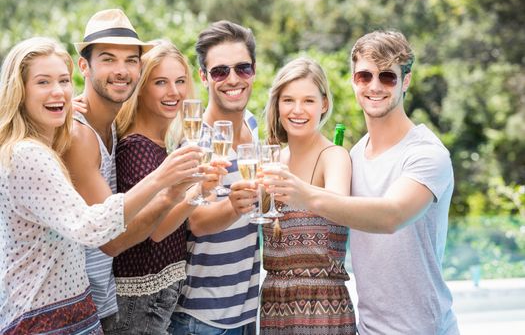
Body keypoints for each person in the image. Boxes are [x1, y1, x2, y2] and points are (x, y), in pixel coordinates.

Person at [263, 31, 459, 334]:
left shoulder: (426, 154)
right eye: (364, 76)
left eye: (388, 77)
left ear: (405, 81)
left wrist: (305, 196)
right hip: (367, 328)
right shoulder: (355, 154)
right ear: (354, 81)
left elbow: (391, 216)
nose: (375, 86)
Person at [0, 37, 201, 334]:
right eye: (43, 82)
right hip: (41, 317)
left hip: (76, 310)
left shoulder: (63, 135)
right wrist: (163, 181)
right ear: (19, 91)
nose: (58, 91)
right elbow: (92, 228)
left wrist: (68, 109)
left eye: (63, 81)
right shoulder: (28, 154)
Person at [62, 8, 202, 325]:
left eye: (130, 60)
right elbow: (112, 240)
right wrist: (168, 188)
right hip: (86, 308)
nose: (121, 70)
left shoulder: (111, 125)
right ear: (84, 66)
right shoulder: (80, 134)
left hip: (104, 298)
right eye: (108, 59)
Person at [101, 39, 226, 334]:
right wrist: (198, 192)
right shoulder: (137, 148)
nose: (174, 92)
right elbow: (156, 229)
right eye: (161, 82)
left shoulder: (158, 145)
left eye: (180, 81)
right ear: (141, 87)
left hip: (154, 298)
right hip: (139, 302)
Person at [170, 20, 260, 335]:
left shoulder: (254, 127)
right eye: (220, 71)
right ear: (203, 77)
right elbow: (197, 221)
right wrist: (234, 206)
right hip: (201, 320)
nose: (233, 79)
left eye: (242, 69)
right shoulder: (195, 140)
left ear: (254, 71)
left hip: (247, 315)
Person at [259, 57, 356, 334]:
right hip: (274, 304)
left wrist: (301, 192)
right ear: (277, 105)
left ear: (324, 104)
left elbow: (339, 205)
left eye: (309, 101)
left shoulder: (334, 157)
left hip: (321, 307)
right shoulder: (272, 159)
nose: (297, 110)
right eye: (288, 100)